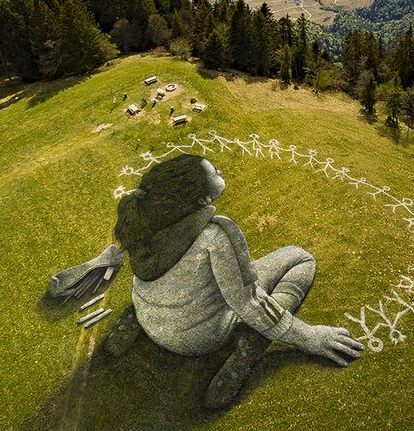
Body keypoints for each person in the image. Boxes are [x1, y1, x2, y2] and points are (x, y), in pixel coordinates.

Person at [106, 153, 362, 408]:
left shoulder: (140, 217)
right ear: (203, 200)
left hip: (150, 320)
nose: (220, 171)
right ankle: (253, 344)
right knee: (300, 258)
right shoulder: (217, 233)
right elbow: (249, 303)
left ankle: (136, 318)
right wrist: (309, 337)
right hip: (198, 338)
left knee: (185, 280)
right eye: (215, 171)